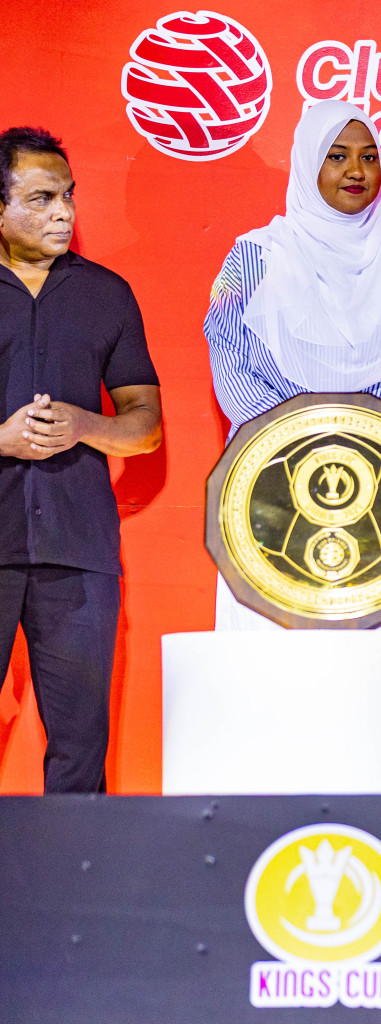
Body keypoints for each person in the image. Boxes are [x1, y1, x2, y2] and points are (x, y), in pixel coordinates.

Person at [204, 101, 381, 630]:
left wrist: (371, 449)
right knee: (271, 675)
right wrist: (302, 448)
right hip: (272, 494)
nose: (356, 171)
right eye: (337, 155)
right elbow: (231, 363)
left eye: (369, 157)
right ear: (306, 163)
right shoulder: (254, 257)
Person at [0, 127, 163, 792]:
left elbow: (146, 427)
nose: (64, 212)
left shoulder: (106, 294)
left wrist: (84, 425)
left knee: (78, 752)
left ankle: (70, 889)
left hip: (78, 553)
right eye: (41, 199)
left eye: (68, 196)